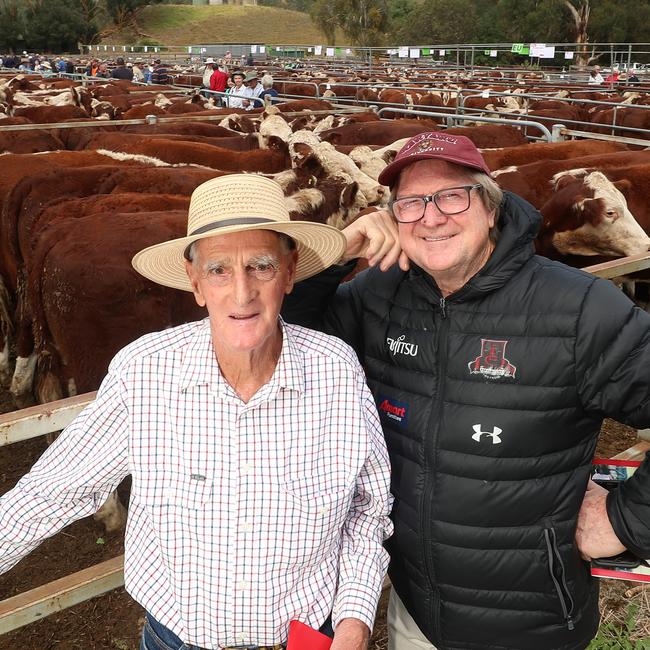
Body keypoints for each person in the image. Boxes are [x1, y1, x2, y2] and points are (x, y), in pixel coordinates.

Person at [282, 131, 650, 650]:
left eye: (452, 196)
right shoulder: (379, 292)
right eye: (410, 203)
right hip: (416, 612)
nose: (432, 217)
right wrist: (340, 251)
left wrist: (624, 520)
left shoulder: (579, 309)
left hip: (531, 622)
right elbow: (293, 344)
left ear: (491, 207)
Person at [0, 174, 393, 650]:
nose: (242, 292)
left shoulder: (336, 371)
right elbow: (50, 493)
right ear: (195, 283)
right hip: (176, 640)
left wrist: (354, 617)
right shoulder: (146, 371)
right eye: (218, 270)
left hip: (307, 639)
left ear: (289, 274)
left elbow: (366, 509)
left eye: (261, 267)